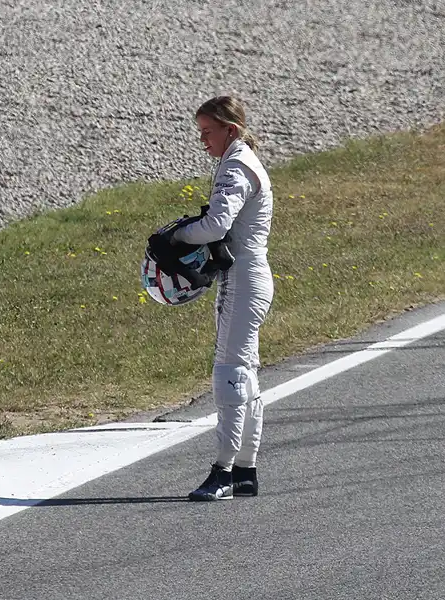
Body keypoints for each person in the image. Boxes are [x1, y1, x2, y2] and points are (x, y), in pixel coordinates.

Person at [169, 96, 274, 501]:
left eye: (207, 131)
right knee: (245, 372)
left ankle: (224, 473)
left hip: (243, 279)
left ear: (230, 129)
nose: (202, 140)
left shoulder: (237, 164)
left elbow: (215, 226)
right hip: (250, 276)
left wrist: (175, 236)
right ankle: (245, 470)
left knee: (229, 371)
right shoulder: (241, 160)